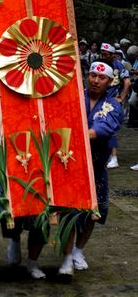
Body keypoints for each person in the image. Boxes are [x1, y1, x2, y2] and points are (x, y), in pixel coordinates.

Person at [58, 60, 124, 277]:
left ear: (110, 81)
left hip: (95, 167)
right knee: (67, 213)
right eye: (93, 75)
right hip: (69, 164)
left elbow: (103, 128)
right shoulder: (74, 95)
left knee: (93, 214)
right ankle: (67, 257)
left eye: (101, 77)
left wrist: (79, 134)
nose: (96, 80)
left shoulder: (113, 105)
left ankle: (78, 251)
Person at [100, 43, 131, 169]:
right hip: (101, 100)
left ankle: (114, 158)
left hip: (111, 102)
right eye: (102, 54)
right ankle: (106, 155)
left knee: (109, 129)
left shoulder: (118, 66)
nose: (103, 56)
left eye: (106, 54)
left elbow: (127, 82)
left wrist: (120, 98)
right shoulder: (102, 64)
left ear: (113, 55)